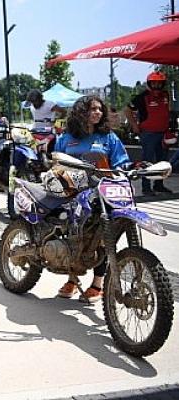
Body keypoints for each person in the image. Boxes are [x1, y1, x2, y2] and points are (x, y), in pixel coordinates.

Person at [54, 95, 130, 303]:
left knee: (103, 238)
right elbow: (56, 163)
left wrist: (123, 171)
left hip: (103, 195)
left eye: (99, 109)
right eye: (92, 109)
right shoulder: (66, 138)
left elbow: (121, 162)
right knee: (73, 235)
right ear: (81, 112)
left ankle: (97, 285)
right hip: (73, 194)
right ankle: (72, 280)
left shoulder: (108, 137)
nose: (97, 112)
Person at [126, 71, 173, 194]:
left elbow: (168, 110)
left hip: (163, 133)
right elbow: (127, 110)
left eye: (159, 83)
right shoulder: (142, 97)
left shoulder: (166, 95)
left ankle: (159, 185)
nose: (156, 86)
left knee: (162, 161)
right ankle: (146, 188)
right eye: (154, 83)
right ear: (149, 84)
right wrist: (134, 125)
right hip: (148, 134)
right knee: (147, 161)